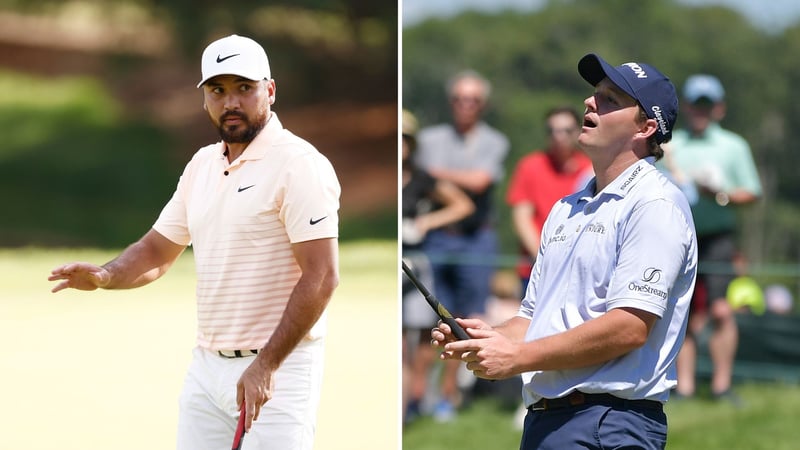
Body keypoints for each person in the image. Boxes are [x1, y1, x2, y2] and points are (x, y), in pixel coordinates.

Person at [48, 34, 340, 450]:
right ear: (204, 98)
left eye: (244, 88)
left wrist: (266, 366)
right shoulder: (202, 165)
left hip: (279, 369)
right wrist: (106, 275)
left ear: (270, 91)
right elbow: (156, 250)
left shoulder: (300, 165)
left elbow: (323, 275)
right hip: (206, 367)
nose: (230, 102)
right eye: (217, 91)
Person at [433, 53, 697, 450]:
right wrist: (487, 337)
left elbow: (629, 326)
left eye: (610, 99)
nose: (590, 103)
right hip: (548, 421)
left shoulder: (655, 204)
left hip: (608, 423)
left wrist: (519, 359)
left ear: (645, 127)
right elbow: (533, 318)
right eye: (594, 95)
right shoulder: (565, 208)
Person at [414, 69, 509, 421]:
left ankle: (449, 396)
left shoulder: (494, 141)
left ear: (482, 105)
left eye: (473, 100)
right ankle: (417, 396)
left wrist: (436, 174)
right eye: (459, 99)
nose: (465, 106)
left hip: (476, 237)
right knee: (428, 320)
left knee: (465, 321)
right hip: (437, 236)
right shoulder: (430, 138)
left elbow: (480, 182)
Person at [662, 74, 762, 402]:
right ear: (687, 107)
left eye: (707, 105)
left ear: (718, 108)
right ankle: (685, 387)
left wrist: (719, 195)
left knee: (721, 310)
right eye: (696, 104)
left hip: (718, 237)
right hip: (680, 235)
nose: (701, 111)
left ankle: (721, 386)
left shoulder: (733, 146)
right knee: (683, 311)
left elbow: (752, 193)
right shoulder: (671, 145)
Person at [401, 109, 475, 424]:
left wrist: (427, 221)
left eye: (404, 139)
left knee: (419, 337)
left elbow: (463, 204)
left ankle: (417, 399)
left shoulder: (421, 178)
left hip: (413, 265)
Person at [506, 106, 593, 292]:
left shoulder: (590, 170)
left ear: (578, 131)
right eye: (552, 131)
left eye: (566, 131)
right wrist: (544, 260)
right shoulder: (530, 166)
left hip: (576, 272)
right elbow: (522, 218)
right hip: (534, 270)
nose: (559, 136)